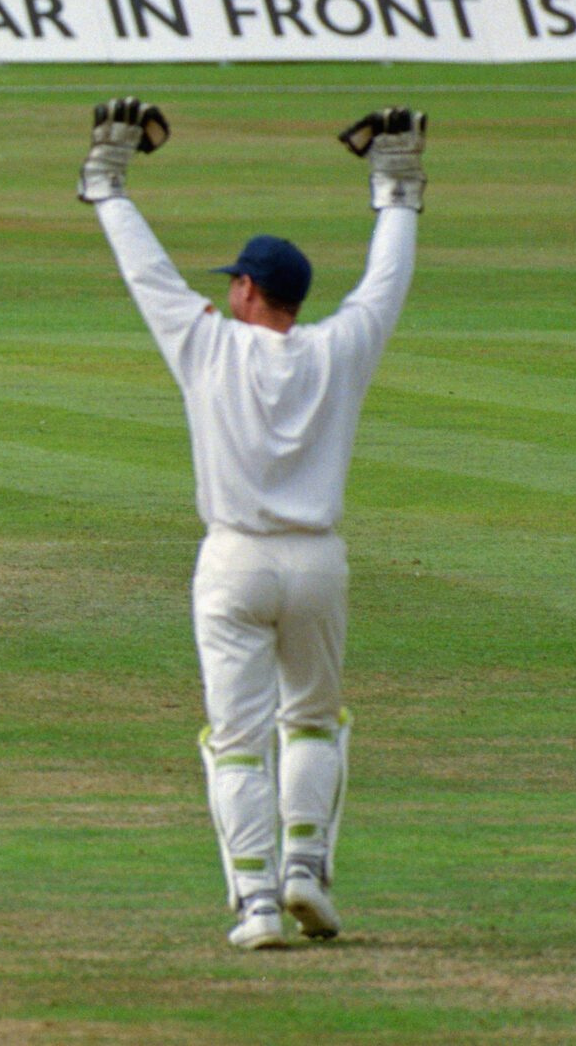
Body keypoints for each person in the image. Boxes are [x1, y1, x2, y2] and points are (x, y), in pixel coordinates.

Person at [79, 95, 426, 951]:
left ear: (243, 290)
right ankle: (307, 868)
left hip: (232, 558)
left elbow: (148, 276)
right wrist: (397, 188)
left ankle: (257, 902)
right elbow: (385, 283)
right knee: (311, 718)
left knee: (235, 738)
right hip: (317, 562)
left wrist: (109, 188)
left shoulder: (206, 344)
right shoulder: (340, 347)